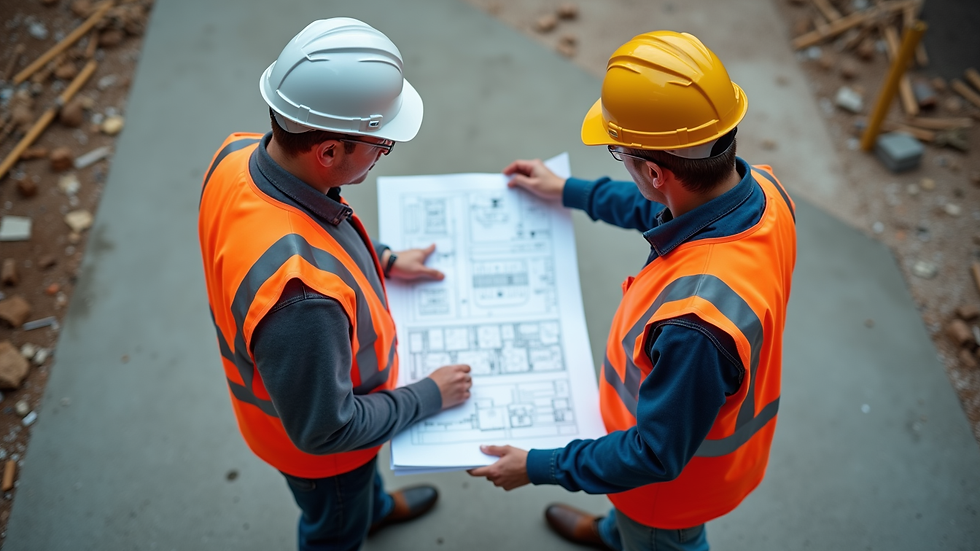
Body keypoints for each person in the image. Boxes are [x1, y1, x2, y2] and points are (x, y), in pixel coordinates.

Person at [468, 31, 797, 551]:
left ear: (653, 170)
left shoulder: (695, 324)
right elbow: (664, 206)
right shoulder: (764, 194)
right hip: (680, 459)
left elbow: (652, 454)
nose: (618, 160)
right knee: (629, 527)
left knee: (653, 538)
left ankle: (629, 536)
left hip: (665, 496)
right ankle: (614, 533)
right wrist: (571, 191)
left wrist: (538, 466)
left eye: (618, 153)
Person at [197, 18, 472, 551]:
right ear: (327, 152)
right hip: (324, 458)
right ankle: (354, 519)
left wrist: (384, 260)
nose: (384, 150)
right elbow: (328, 430)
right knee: (334, 525)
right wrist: (427, 396)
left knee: (356, 496)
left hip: (304, 412)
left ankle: (369, 508)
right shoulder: (301, 302)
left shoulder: (235, 156)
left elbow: (302, 233)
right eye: (381, 144)